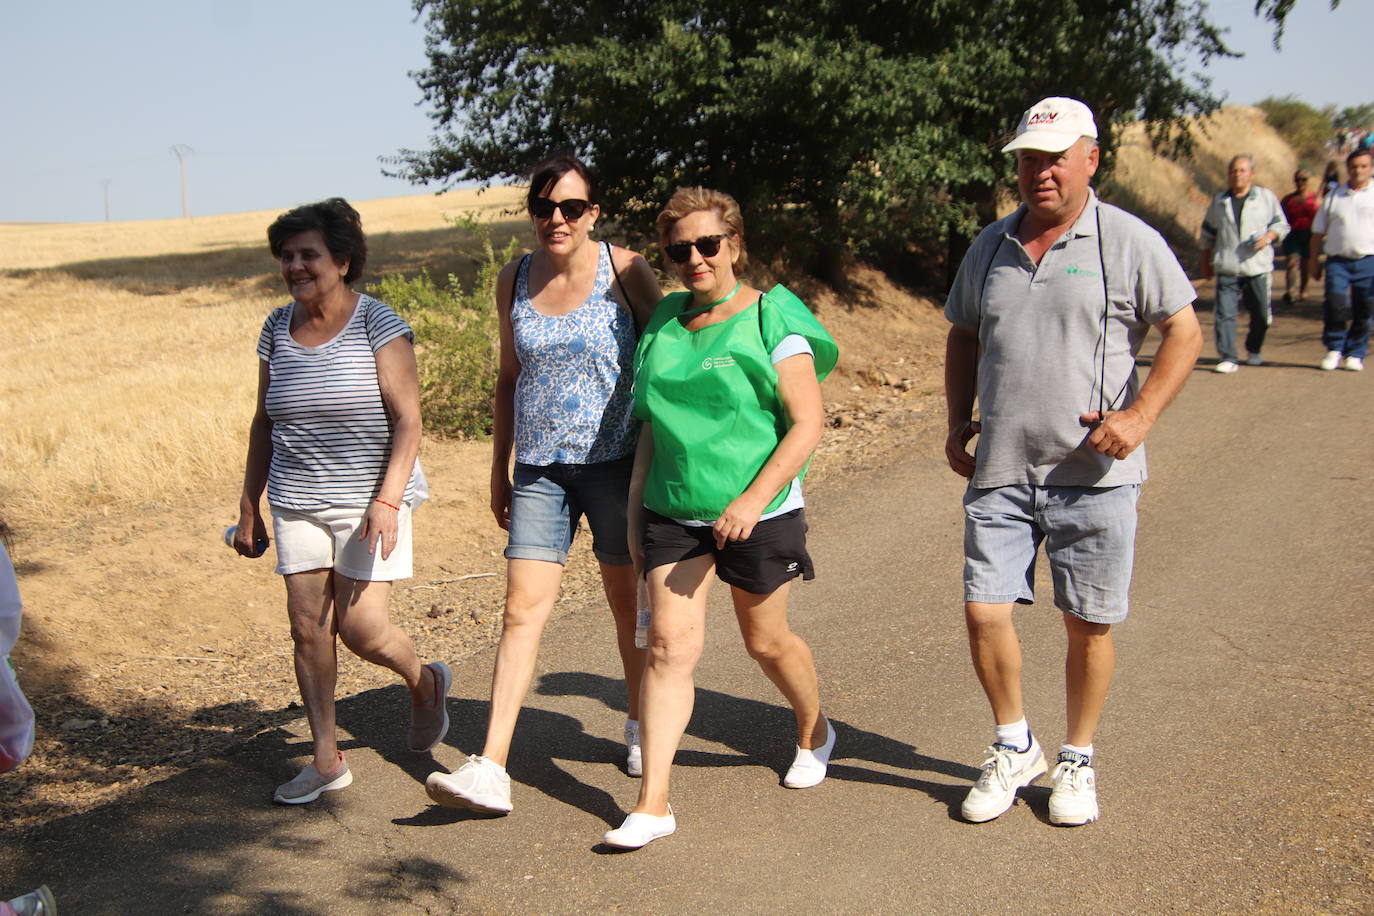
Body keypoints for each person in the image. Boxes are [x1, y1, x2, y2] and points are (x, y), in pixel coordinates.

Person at [944, 98, 1201, 827]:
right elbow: (963, 333)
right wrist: (955, 419)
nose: (1040, 171)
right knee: (983, 609)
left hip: (1095, 478)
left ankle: (1078, 758)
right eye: (1029, 158)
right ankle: (1012, 743)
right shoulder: (991, 245)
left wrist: (1140, 417)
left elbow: (1183, 329)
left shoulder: (1126, 240)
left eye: (1056, 157)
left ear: (1092, 158)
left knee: (1087, 623)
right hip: (1001, 467)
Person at [600, 187, 839, 850]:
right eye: (680, 250)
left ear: (735, 244)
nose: (695, 259)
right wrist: (634, 519)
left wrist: (752, 500)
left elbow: (807, 422)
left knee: (765, 642)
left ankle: (813, 727)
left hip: (759, 507)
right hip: (674, 511)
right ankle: (653, 804)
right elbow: (650, 428)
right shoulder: (666, 321)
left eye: (708, 245)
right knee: (670, 649)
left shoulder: (772, 317)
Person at [424, 155, 661, 815]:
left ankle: (642, 721)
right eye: (545, 207)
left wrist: (667, 453)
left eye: (572, 207)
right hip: (538, 470)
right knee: (520, 610)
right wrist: (498, 469)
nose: (557, 219)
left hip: (617, 464)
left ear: (594, 213)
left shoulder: (625, 268)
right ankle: (491, 765)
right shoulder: (513, 278)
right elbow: (508, 379)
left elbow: (672, 351)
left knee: (625, 604)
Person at [236, 198, 451, 804]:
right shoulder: (276, 328)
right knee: (308, 627)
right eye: (287, 256)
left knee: (362, 629)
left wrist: (387, 500)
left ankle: (423, 680)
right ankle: (326, 758)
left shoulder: (377, 324)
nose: (296, 266)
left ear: (343, 260)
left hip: (368, 501)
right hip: (297, 498)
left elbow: (408, 421)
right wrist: (250, 505)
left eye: (309, 254)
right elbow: (263, 423)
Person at [1199, 155, 1288, 371]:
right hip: (1228, 265)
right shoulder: (1220, 201)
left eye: (1242, 170)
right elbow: (1207, 233)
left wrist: (1268, 237)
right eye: (1234, 171)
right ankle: (1228, 356)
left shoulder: (1265, 197)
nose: (1237, 175)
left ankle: (1254, 348)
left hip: (1257, 267)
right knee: (1224, 314)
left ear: (1251, 174)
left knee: (1261, 315)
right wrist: (1205, 262)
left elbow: (1282, 225)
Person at [1310, 148, 1374, 372]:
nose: (1358, 171)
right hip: (1338, 260)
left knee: (1364, 307)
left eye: (1363, 166)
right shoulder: (1334, 196)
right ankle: (1334, 348)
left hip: (1368, 260)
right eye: (1354, 166)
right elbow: (1318, 231)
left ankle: (1355, 352)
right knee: (1336, 304)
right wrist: (1313, 261)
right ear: (1347, 168)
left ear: (1370, 168)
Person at [1280, 169, 1319, 304]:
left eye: (1303, 179)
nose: (1300, 182)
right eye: (1297, 179)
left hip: (1309, 234)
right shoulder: (1288, 200)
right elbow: (1280, 217)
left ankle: (1304, 289)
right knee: (1291, 263)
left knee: (1305, 264)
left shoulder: (1315, 199)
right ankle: (1291, 291)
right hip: (1292, 234)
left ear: (1309, 181)